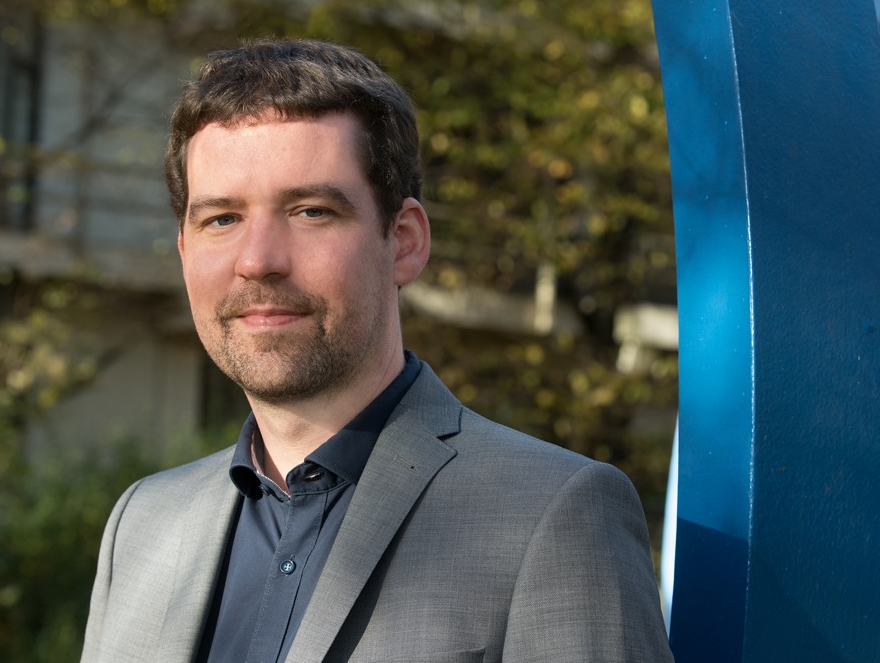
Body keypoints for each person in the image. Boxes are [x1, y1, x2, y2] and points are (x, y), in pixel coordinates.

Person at [81, 38, 673, 663]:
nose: (257, 261)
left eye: (310, 212)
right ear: (184, 251)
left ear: (405, 242)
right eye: (222, 219)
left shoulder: (553, 515)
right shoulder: (141, 525)